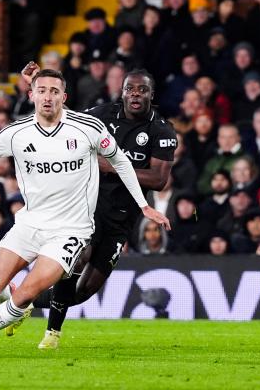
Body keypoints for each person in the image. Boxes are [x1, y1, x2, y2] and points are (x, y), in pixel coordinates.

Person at [0, 68, 170, 354]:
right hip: (29, 224)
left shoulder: (88, 127)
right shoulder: (15, 132)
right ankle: (17, 310)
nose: (48, 97)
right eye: (42, 91)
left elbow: (121, 162)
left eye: (54, 92)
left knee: (28, 294)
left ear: (64, 97)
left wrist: (144, 205)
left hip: (71, 230)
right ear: (31, 95)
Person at [31, 66, 177, 349]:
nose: (135, 94)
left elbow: (158, 180)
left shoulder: (162, 130)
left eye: (142, 90)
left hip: (123, 218)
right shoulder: (102, 115)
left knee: (85, 290)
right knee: (77, 257)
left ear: (151, 94)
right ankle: (52, 334)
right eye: (130, 89)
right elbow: (67, 118)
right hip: (89, 205)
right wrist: (39, 84)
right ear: (121, 92)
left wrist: (112, 166)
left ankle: (22, 302)